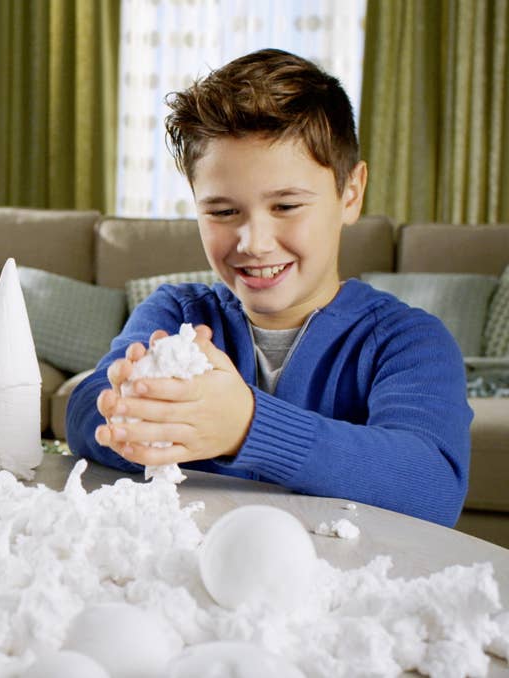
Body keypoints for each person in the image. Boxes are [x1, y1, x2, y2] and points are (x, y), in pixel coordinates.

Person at [65, 49, 470, 526]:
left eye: (286, 206)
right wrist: (155, 420)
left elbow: (432, 485)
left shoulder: (408, 341)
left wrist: (246, 429)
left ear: (351, 194)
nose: (254, 243)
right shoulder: (177, 314)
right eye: (222, 212)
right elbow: (87, 412)